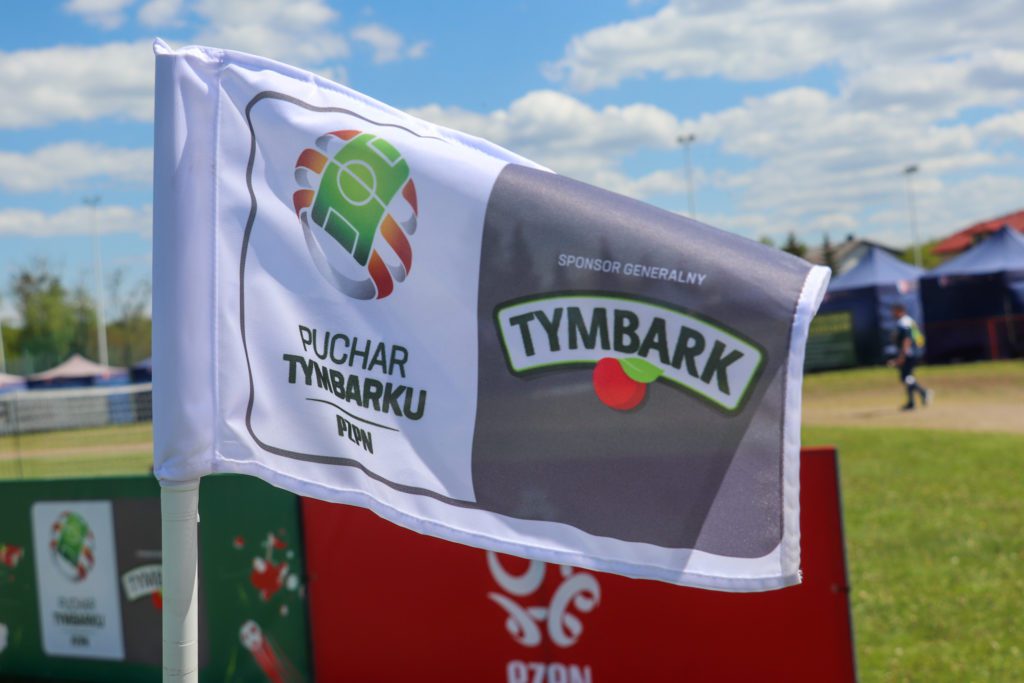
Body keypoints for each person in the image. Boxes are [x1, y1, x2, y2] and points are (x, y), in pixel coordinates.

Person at [887, 304, 932, 411]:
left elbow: (907, 339)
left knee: (906, 377)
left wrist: (902, 356)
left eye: (894, 311)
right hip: (913, 352)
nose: (892, 314)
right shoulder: (908, 320)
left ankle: (923, 392)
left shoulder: (903, 322)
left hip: (909, 353)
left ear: (899, 311)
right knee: (908, 378)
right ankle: (912, 402)